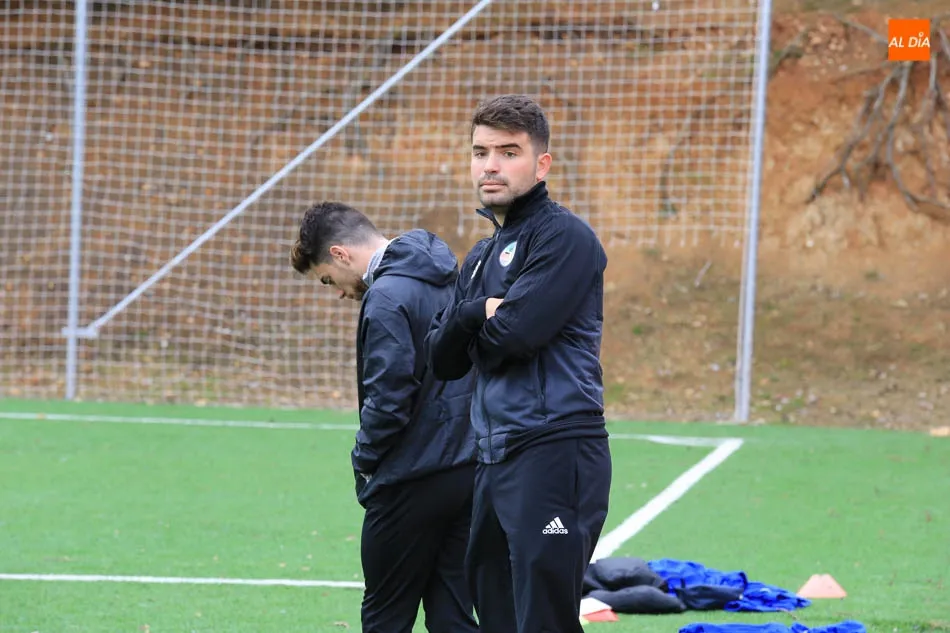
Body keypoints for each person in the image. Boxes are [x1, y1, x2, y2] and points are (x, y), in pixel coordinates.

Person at [424, 94, 613, 633]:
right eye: (480, 152)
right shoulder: (481, 257)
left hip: (554, 451)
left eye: (509, 153)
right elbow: (442, 360)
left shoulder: (565, 237)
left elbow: (514, 337)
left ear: (541, 164)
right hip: (494, 456)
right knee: (497, 610)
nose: (491, 165)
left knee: (544, 615)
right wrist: (474, 312)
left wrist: (473, 329)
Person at [290, 202, 479, 633]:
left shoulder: (387, 296)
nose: (339, 292)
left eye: (327, 279)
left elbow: (389, 400)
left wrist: (363, 459)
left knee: (385, 617)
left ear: (340, 254)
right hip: (466, 471)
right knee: (452, 616)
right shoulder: (451, 277)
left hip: (410, 478)